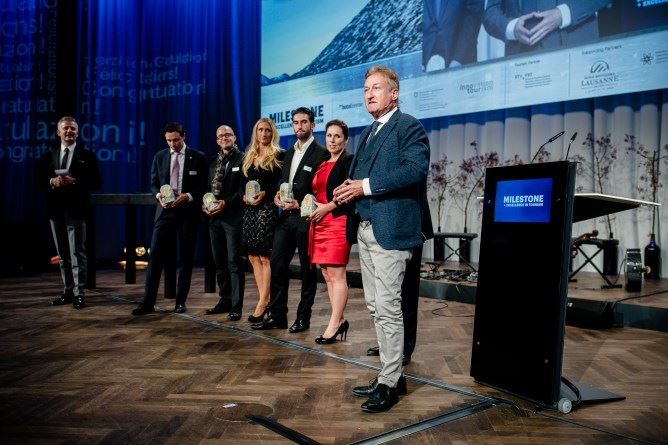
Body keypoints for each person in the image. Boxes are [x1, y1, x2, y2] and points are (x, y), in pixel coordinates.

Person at [334, 65, 432, 413]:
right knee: (377, 307)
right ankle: (392, 375)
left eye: (376, 88)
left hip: (392, 231)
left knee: (389, 308)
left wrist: (364, 186)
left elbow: (414, 169)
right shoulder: (368, 132)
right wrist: (348, 190)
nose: (369, 94)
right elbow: (360, 179)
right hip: (366, 228)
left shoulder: (408, 126)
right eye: (365, 89)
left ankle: (389, 382)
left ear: (394, 93)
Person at [252, 107, 328, 333]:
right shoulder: (287, 154)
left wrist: (301, 204)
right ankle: (277, 316)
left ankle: (303, 318)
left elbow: (323, 192)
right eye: (295, 122)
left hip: (307, 218)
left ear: (312, 125)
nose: (299, 126)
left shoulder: (321, 154)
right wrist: (277, 196)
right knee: (277, 264)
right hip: (285, 218)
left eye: (304, 122)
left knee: (307, 271)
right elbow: (283, 185)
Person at [132, 122, 208, 316]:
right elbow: (153, 184)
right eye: (169, 141)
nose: (172, 144)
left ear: (184, 136)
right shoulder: (160, 156)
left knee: (186, 258)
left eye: (175, 140)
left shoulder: (198, 157)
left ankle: (180, 302)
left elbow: (203, 186)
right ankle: (147, 303)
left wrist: (188, 196)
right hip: (165, 212)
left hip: (188, 213)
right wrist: (159, 195)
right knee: (155, 256)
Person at [38, 116, 101, 310]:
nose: (69, 132)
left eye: (73, 129)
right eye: (65, 128)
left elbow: (97, 182)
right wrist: (52, 181)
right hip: (55, 211)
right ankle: (67, 291)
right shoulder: (49, 155)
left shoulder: (87, 156)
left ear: (78, 133)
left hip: (76, 210)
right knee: (63, 254)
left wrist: (75, 181)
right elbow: (39, 181)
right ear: (58, 132)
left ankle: (79, 294)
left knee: (77, 253)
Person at [307, 120, 353, 344]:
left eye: (337, 136)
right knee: (326, 274)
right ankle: (340, 320)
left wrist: (326, 207)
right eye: (329, 136)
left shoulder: (348, 161)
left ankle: (333, 325)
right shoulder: (323, 162)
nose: (332, 140)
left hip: (337, 220)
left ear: (346, 139)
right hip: (319, 221)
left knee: (337, 274)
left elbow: (350, 193)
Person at [241, 118, 283, 323]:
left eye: (267, 130)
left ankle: (264, 302)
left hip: (266, 211)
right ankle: (262, 298)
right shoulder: (249, 155)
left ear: (272, 133)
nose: (264, 133)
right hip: (249, 211)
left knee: (265, 257)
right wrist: (243, 196)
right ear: (255, 132)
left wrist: (266, 193)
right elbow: (243, 183)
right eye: (260, 130)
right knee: (252, 257)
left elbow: (283, 185)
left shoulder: (279, 155)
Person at [202, 124, 246, 321]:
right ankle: (225, 299)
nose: (224, 138)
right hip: (214, 218)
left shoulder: (243, 159)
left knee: (234, 262)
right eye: (220, 136)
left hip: (233, 218)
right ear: (217, 140)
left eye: (228, 134)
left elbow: (243, 189)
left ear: (234, 137)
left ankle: (236, 306)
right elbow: (207, 188)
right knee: (219, 261)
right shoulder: (213, 162)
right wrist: (206, 204)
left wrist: (225, 203)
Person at [483, 0, 610, 56]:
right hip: (520, 61)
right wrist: (512, 28)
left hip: (577, 56)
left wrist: (564, 13)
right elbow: (490, 14)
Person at [422, 0, 484, 72]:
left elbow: (473, 16)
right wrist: (421, 60)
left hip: (461, 62)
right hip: (427, 66)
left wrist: (458, 58)